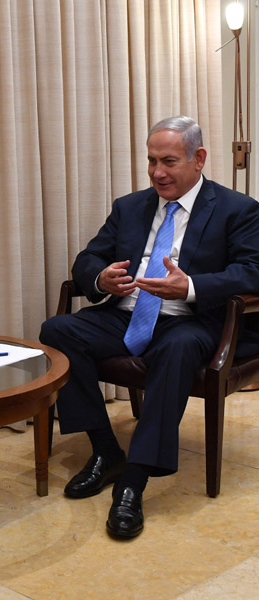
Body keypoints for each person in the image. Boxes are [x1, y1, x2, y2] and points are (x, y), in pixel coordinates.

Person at [40, 116, 259, 539]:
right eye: (151, 161)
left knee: (176, 351)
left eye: (169, 161)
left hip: (191, 320)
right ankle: (106, 450)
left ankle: (133, 480)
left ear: (199, 159)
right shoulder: (130, 206)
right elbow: (87, 258)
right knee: (58, 331)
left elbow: (252, 271)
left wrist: (192, 286)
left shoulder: (238, 209)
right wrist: (100, 277)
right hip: (127, 312)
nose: (158, 172)